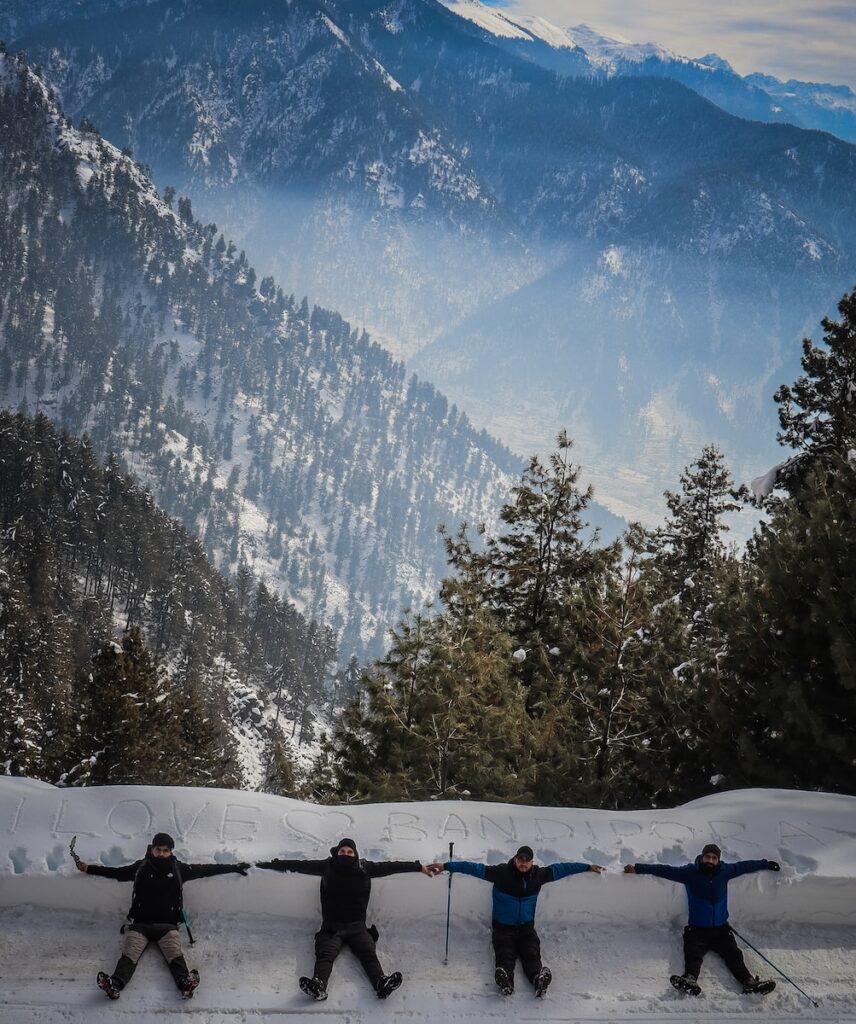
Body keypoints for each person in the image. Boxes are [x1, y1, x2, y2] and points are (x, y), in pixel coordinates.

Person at [76, 831, 249, 1000]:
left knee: (175, 954)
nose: (161, 853)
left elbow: (206, 869)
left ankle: (185, 984)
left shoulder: (179, 869)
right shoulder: (140, 867)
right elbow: (117, 873)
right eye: (158, 849)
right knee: (129, 954)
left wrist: (234, 867)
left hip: (167, 926)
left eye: (166, 850)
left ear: (171, 851)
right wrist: (89, 868)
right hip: (140, 924)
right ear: (152, 849)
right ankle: (114, 984)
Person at [256, 837, 433, 1001]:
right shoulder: (328, 866)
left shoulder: (365, 868)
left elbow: (391, 867)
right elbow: (299, 865)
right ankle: (318, 985)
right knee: (325, 954)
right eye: (343, 852)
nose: (346, 855)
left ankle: (381, 983)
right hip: (332, 927)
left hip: (357, 926)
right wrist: (272, 865)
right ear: (337, 853)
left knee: (367, 953)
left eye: (350, 852)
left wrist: (419, 867)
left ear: (355, 854)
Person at [428, 845, 603, 997]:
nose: (523, 863)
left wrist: (587, 867)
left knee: (531, 953)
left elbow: (563, 869)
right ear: (515, 859)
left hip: (526, 927)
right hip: (503, 927)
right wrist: (445, 865)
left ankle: (538, 979)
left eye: (527, 860)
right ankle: (506, 981)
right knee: (505, 952)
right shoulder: (501, 873)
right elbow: (473, 868)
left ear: (532, 862)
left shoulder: (539, 875)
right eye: (520, 859)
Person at [624, 843, 781, 996]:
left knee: (734, 955)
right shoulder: (690, 872)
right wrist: (638, 868)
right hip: (697, 929)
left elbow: (745, 866)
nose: (711, 861)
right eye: (708, 857)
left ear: (718, 860)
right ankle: (690, 979)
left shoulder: (725, 871)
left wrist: (766, 864)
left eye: (714, 858)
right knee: (693, 953)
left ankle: (749, 982)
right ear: (702, 857)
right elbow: (665, 870)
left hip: (721, 928)